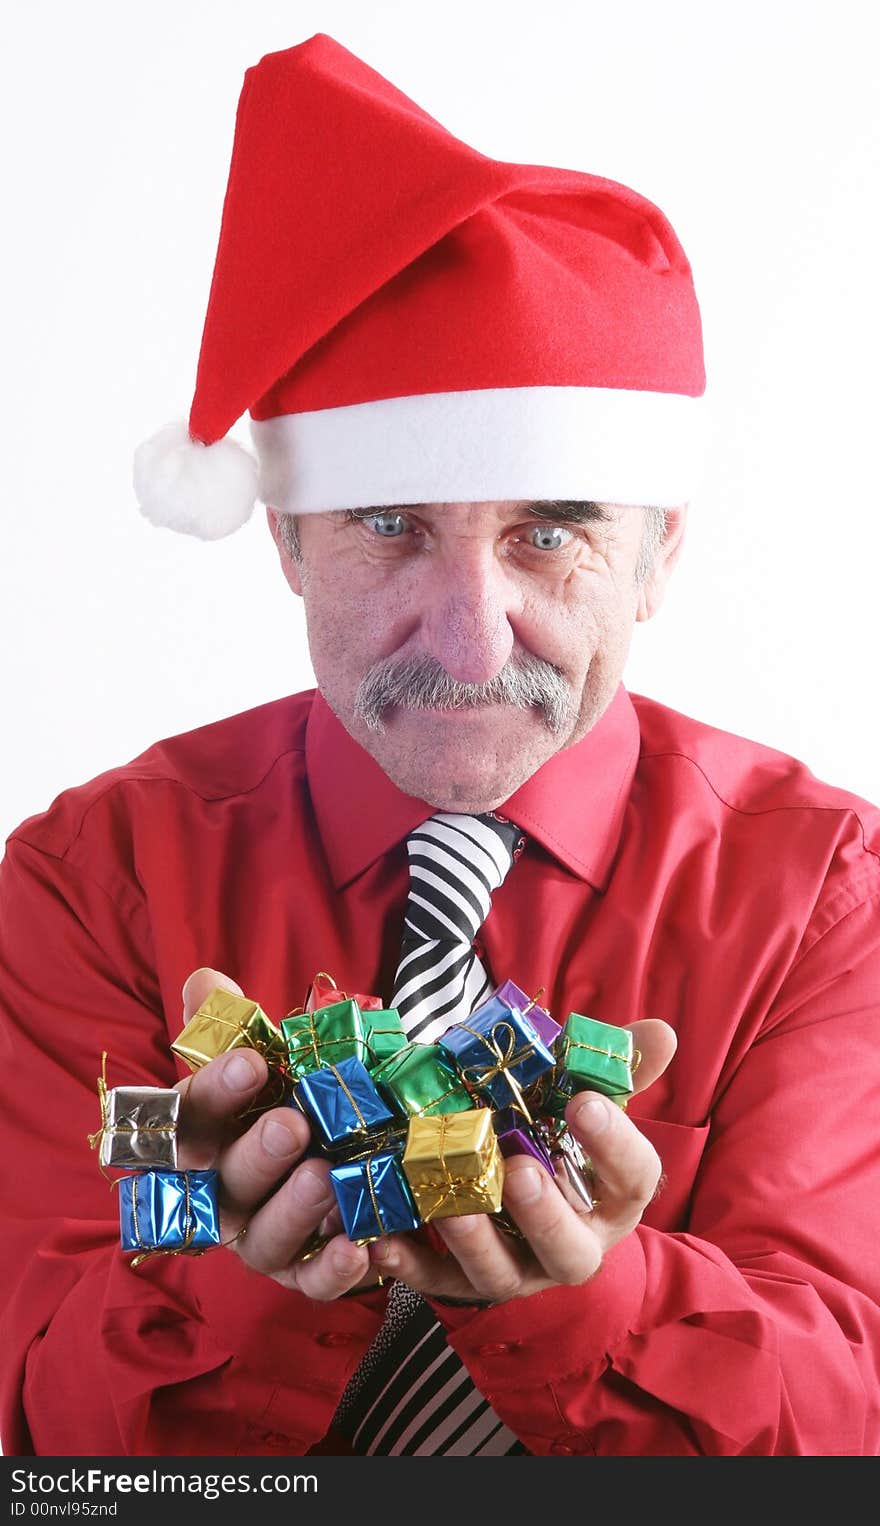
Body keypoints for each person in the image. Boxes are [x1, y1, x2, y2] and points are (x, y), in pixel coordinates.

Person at [0, 32, 878, 1460]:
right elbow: (36, 1430)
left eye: (553, 530)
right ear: (285, 536)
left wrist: (603, 1298)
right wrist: (247, 1287)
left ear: (656, 557)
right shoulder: (90, 883)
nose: (472, 645)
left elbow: (851, 1423)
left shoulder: (826, 894)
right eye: (392, 525)